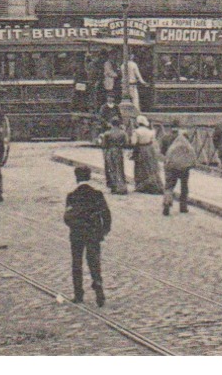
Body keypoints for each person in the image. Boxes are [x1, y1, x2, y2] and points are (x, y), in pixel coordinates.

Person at [64, 165, 111, 307]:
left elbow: (67, 217)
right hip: (93, 233)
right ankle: (99, 290)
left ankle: (78, 294)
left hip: (77, 234)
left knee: (77, 263)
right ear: (89, 177)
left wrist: (74, 227)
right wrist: (103, 231)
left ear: (76, 177)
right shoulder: (97, 194)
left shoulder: (72, 196)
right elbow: (106, 215)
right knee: (94, 262)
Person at [161, 126, 197, 216]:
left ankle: (167, 202)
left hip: (170, 166)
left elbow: (162, 151)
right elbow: (191, 155)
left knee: (169, 186)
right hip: (184, 167)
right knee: (184, 186)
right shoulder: (186, 143)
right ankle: (183, 206)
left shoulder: (166, 138)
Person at [130, 116, 164, 195]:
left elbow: (133, 142)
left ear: (138, 123)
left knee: (140, 167)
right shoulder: (151, 131)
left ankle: (141, 186)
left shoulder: (136, 131)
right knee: (151, 167)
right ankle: (153, 185)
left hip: (141, 149)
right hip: (150, 149)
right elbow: (153, 141)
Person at [100, 116, 129, 194]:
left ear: (111, 124)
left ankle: (114, 187)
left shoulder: (107, 133)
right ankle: (122, 186)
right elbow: (126, 143)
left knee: (111, 169)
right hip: (119, 151)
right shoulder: (123, 133)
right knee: (120, 168)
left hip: (110, 151)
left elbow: (104, 145)